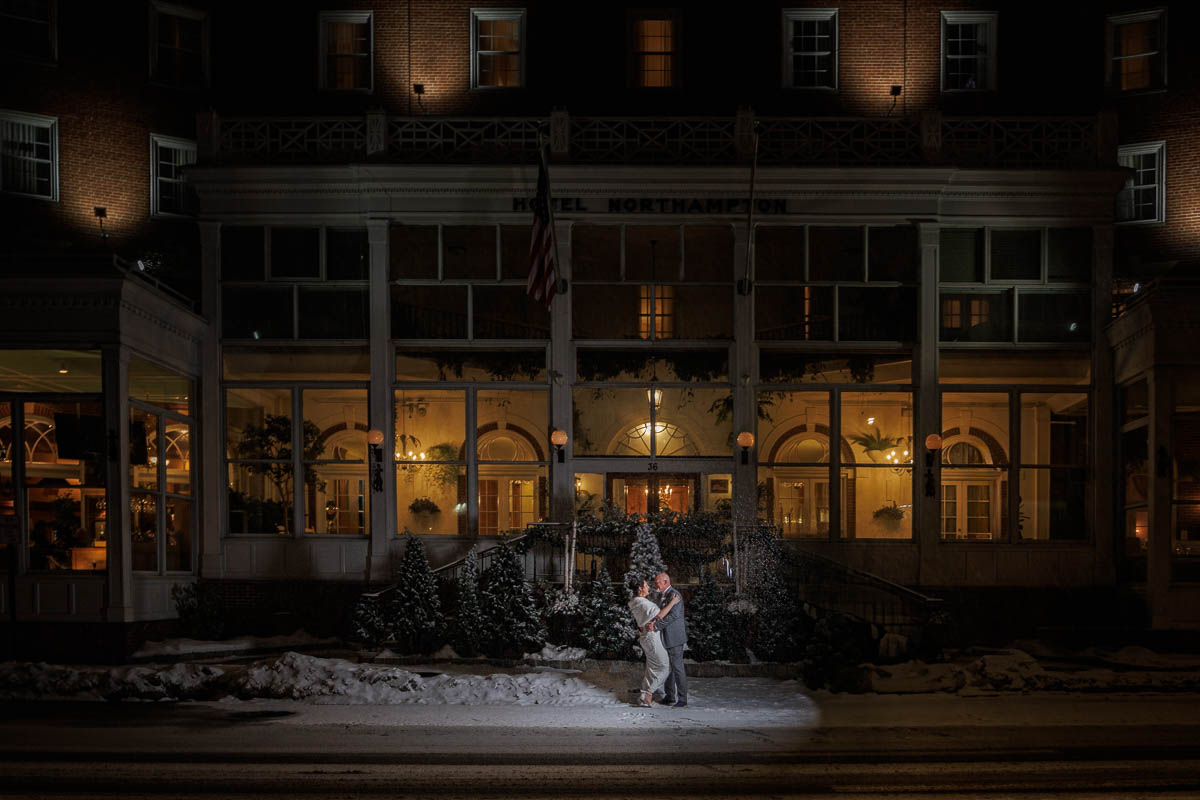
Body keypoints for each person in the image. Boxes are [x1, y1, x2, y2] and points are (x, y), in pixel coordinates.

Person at [626, 576, 675, 707]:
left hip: (646, 637)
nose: (648, 587)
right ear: (641, 589)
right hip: (651, 638)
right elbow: (659, 615)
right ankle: (648, 693)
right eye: (646, 585)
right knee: (666, 667)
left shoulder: (637, 602)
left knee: (652, 669)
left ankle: (643, 696)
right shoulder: (642, 602)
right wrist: (672, 602)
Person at [653, 571, 688, 707]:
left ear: (666, 582)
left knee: (678, 668)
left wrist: (656, 626)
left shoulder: (675, 595)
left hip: (674, 638)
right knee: (669, 668)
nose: (655, 584)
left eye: (657, 582)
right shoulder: (663, 595)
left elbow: (673, 616)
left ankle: (682, 699)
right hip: (666, 637)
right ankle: (670, 696)